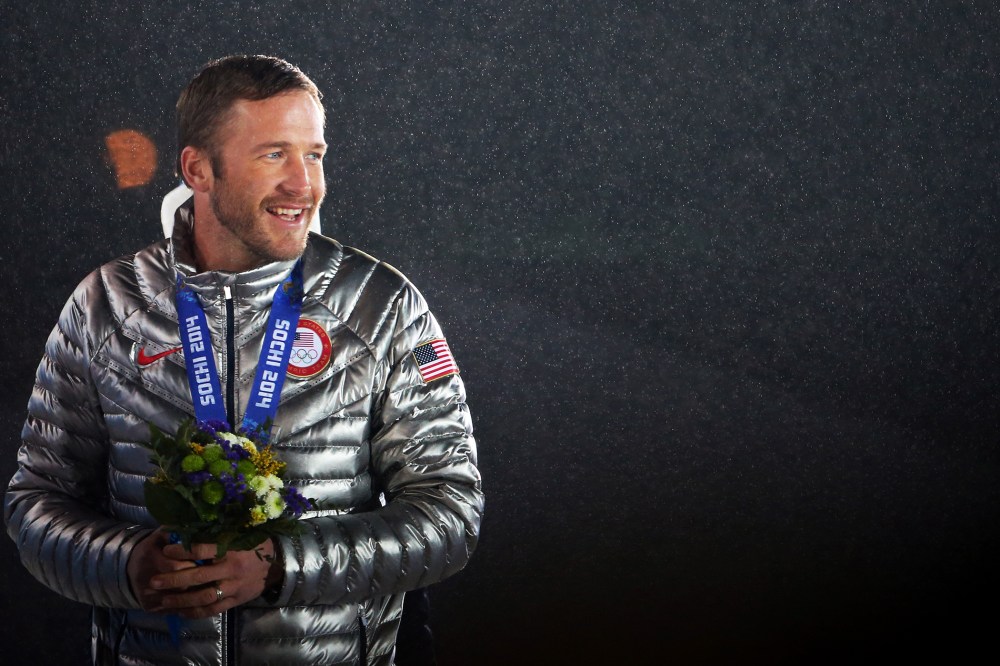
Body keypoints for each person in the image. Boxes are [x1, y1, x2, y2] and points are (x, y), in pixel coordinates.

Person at [4, 55, 483, 666]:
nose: (304, 185)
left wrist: (283, 567)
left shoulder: (381, 306)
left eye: (314, 154)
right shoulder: (105, 305)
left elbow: (451, 513)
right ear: (198, 169)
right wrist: (125, 565)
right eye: (274, 154)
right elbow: (35, 504)